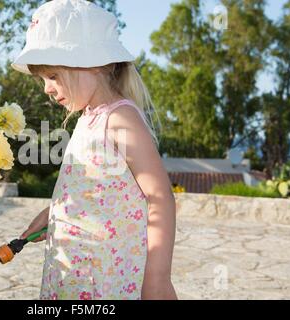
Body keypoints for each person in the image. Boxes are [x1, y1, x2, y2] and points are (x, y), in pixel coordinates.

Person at [13, 0, 177, 300]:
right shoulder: (87, 119)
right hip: (73, 279)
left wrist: (157, 278)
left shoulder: (119, 119)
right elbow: (93, 191)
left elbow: (160, 198)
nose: (46, 88)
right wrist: (53, 215)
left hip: (105, 283)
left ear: (93, 63)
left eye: (52, 75)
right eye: (42, 79)